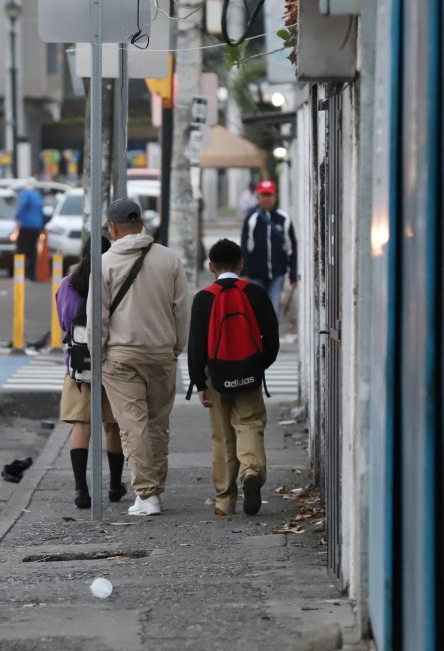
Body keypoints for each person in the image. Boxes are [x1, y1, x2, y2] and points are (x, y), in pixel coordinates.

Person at [94, 198, 190, 516]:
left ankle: (147, 494)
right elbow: (181, 309)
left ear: (113, 227)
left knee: (132, 425)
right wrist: (176, 347)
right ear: (142, 224)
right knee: (158, 424)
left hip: (121, 356)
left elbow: (98, 316)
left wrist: (98, 353)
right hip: (162, 352)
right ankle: (154, 489)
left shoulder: (105, 263)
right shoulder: (169, 259)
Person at [187, 239, 279, 516]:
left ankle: (225, 501)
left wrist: (200, 383)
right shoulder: (255, 293)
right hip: (249, 371)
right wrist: (258, 365)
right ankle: (251, 473)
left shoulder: (203, 298)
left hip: (215, 375)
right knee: (250, 424)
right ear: (241, 264)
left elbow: (196, 345)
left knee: (223, 436)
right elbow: (271, 338)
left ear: (211, 267)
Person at [56, 235, 127, 509]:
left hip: (78, 365)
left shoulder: (67, 284)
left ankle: (81, 489)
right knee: (113, 425)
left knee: (81, 424)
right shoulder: (115, 281)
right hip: (111, 360)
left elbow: (64, 323)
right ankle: (115, 485)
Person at [241, 179, 297, 315]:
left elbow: (291, 247)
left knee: (274, 309)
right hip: (255, 275)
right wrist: (244, 273)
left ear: (275, 196)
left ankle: (273, 330)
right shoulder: (251, 219)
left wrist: (293, 274)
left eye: (269, 195)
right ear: (258, 197)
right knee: (256, 311)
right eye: (263, 195)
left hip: (277, 274)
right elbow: (245, 248)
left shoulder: (284, 219)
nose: (266, 198)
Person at [14, 184, 45, 279]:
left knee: (21, 249)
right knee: (33, 250)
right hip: (36, 226)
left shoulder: (26, 194)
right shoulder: (37, 195)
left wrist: (17, 217)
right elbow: (41, 210)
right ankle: (32, 273)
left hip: (26, 225)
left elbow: (22, 205)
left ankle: (20, 272)